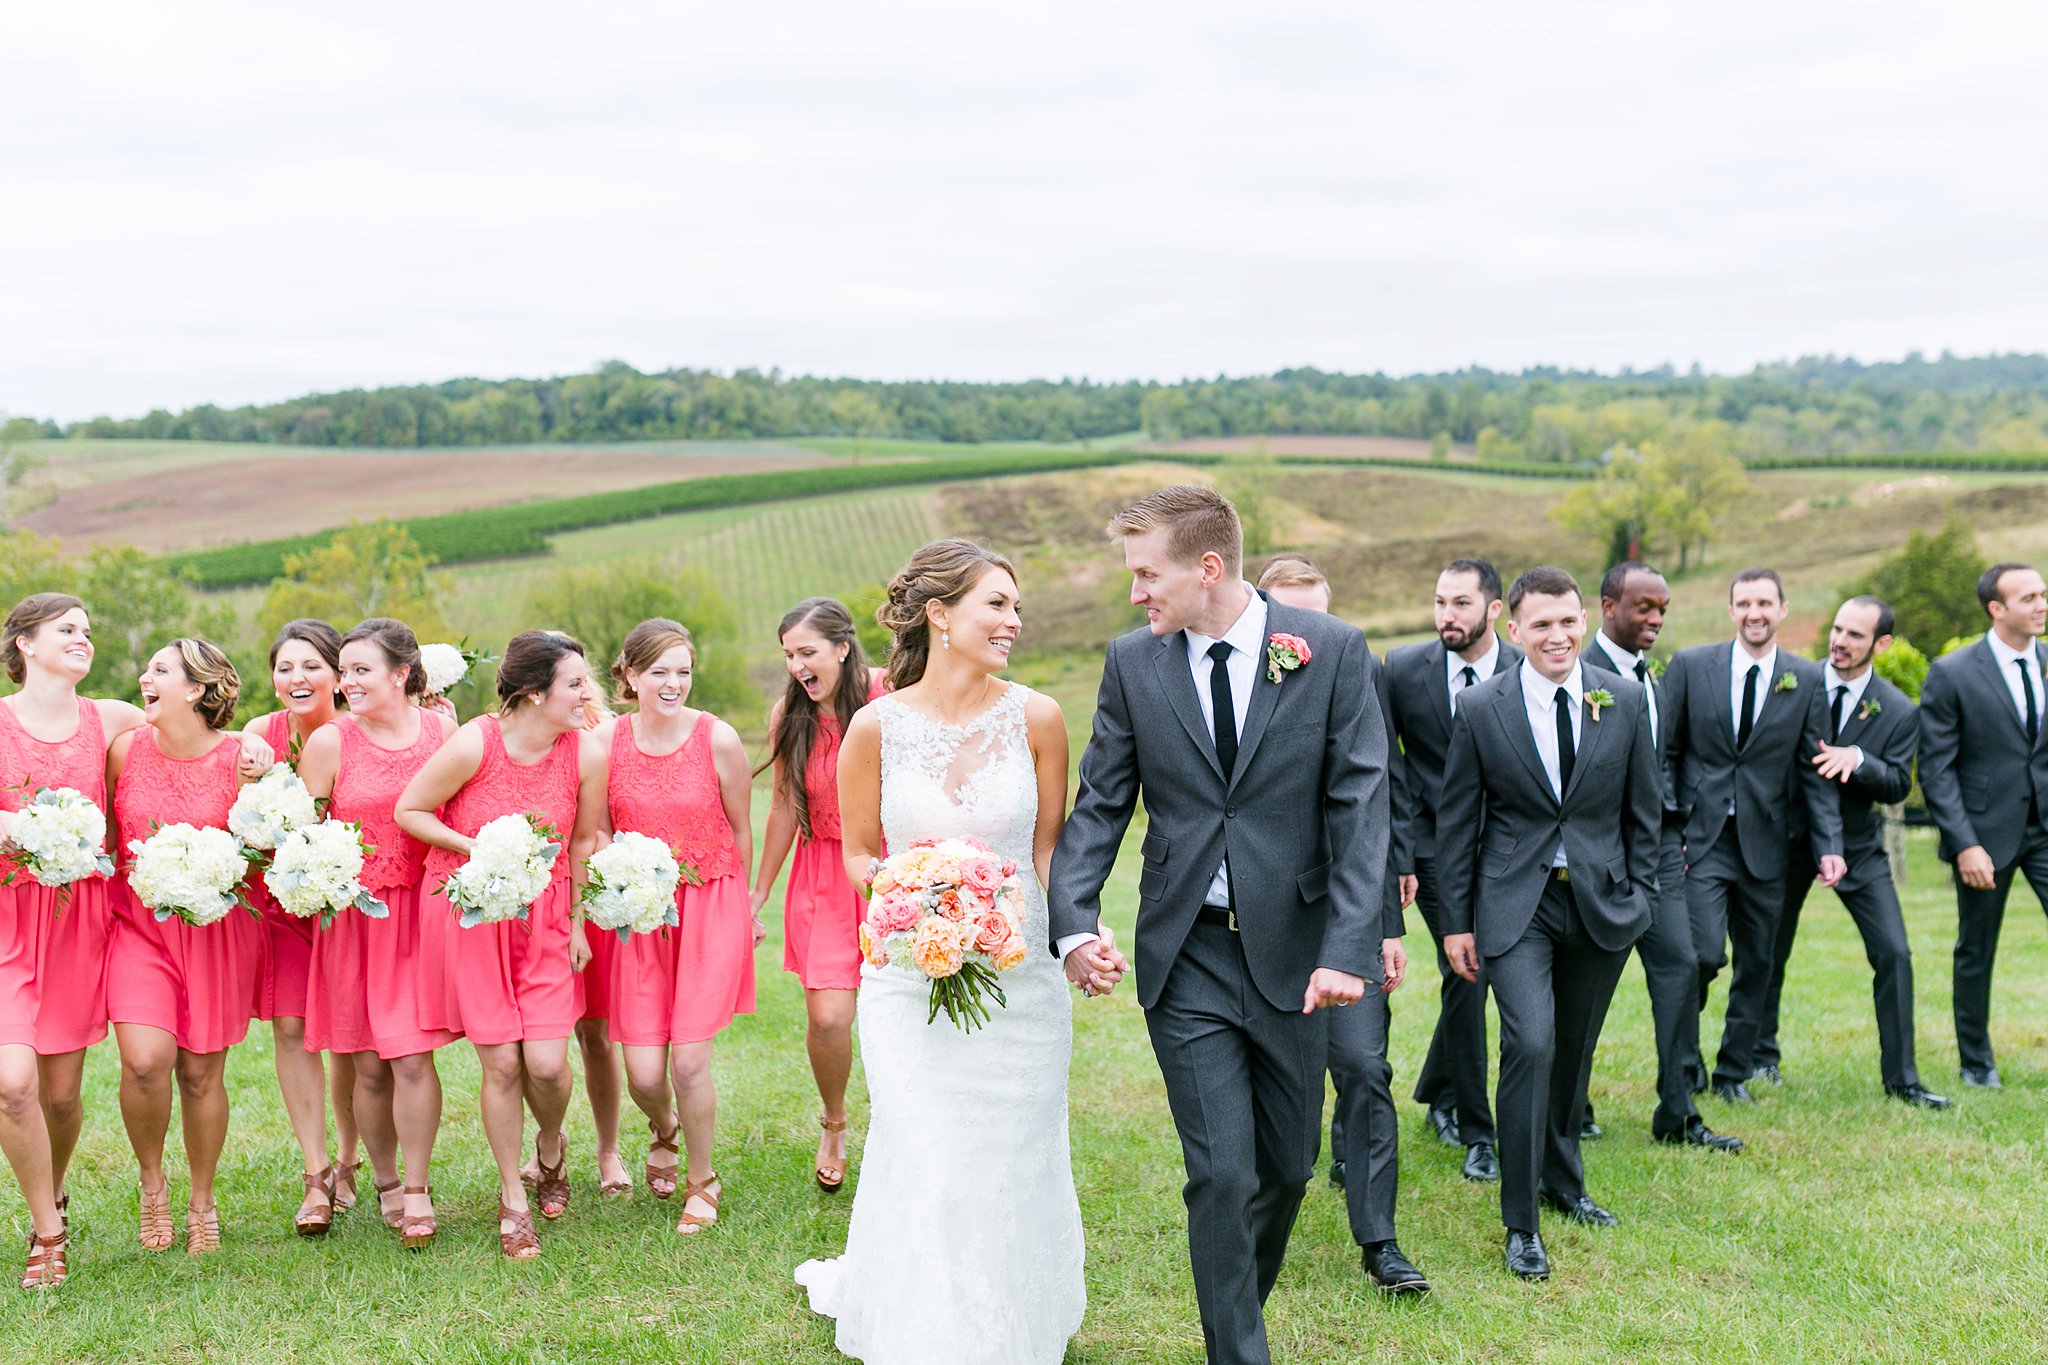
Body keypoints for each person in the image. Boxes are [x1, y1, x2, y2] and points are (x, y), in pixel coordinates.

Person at [1050, 487, 1391, 1365]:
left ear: (1208, 567)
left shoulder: (1332, 650)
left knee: (1286, 1169)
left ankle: (1237, 1303)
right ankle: (1239, 1352)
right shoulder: (1133, 663)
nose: (1136, 594)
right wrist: (1074, 921)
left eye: (1145, 573)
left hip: (1296, 952)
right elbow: (1100, 805)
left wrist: (1349, 945)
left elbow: (1361, 806)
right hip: (1188, 949)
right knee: (1223, 1172)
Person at [796, 539, 1090, 1363]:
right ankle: (928, 1329)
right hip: (904, 975)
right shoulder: (874, 726)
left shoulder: (1038, 717)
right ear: (940, 614)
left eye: (1016, 606)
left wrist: (1076, 934)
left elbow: (1048, 852)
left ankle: (1009, 1319)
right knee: (926, 1143)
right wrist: (911, 887)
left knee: (1009, 1153)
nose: (1014, 620)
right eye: (997, 603)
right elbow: (855, 851)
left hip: (1017, 973)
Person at [1437, 566, 1661, 1280]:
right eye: (1541, 624)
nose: (1558, 635)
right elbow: (1457, 822)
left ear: (1583, 622)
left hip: (1600, 902)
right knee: (1530, 1043)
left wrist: (1641, 895)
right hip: (1513, 905)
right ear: (1514, 630)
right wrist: (1455, 922)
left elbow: (1644, 810)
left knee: (1572, 1052)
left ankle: (1565, 1182)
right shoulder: (1481, 709)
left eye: (1569, 621)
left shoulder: (1622, 699)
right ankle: (1521, 1221)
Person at [395, 630, 606, 1258]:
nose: (586, 694)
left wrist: (577, 922)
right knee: (502, 1063)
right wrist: (478, 849)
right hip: (476, 917)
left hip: (546, 920)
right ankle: (513, 1198)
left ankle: (550, 1144)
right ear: (536, 692)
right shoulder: (474, 743)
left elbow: (583, 842)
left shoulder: (586, 753)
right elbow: (413, 809)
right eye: (574, 684)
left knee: (546, 1064)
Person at [1255, 554, 1422, 1294]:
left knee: (1362, 1067)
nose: (1306, 631)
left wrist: (1385, 919)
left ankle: (1380, 1241)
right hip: (1256, 919)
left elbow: (1378, 794)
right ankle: (1260, 1212)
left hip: (1344, 907)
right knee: (1281, 1085)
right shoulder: (1225, 676)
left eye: (1318, 615)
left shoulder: (1355, 667)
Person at [298, 618, 460, 1249]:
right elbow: (300, 836)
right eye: (345, 670)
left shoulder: (442, 733)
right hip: (358, 921)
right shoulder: (331, 743)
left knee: (413, 1056)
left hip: (422, 915)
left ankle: (417, 1188)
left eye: (362, 670)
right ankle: (386, 1181)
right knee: (368, 1065)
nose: (347, 681)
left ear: (402, 673)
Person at [0, 594, 146, 1288]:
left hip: (77, 925)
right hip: (5, 920)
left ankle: (51, 1190)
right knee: (11, 1081)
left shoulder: (111, 718)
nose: (83, 638)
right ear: (24, 643)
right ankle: (47, 1232)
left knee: (59, 1094)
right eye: (67, 629)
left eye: (89, 629)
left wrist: (257, 746)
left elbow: (191, 737)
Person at [1754, 597, 1947, 1108]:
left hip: (1859, 848)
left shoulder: (1900, 710)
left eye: (1855, 635)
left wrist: (1858, 759)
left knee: (1894, 952)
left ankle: (1902, 1079)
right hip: (1787, 840)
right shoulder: (1792, 683)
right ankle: (1759, 1056)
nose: (1840, 641)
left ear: (1880, 644)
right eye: (1837, 629)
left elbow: (1894, 786)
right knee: (1770, 948)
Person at [1662, 568, 1843, 1105]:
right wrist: (1673, 824)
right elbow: (1667, 753)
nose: (1754, 613)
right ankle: (1684, 1058)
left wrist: (1829, 845)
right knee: (1700, 955)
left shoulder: (1806, 678)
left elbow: (1815, 768)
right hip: (1704, 838)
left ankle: (1733, 1072)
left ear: (1783, 609)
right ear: (1731, 611)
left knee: (1759, 963)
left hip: (1771, 844)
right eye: (1744, 603)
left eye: (1765, 602)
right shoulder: (1693, 666)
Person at [104, 638, 262, 1255]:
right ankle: (151, 1182)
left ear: (196, 690)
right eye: (147, 670)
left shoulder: (241, 761)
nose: (145, 678)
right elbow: (111, 838)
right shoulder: (125, 750)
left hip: (215, 933)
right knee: (144, 1061)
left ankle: (202, 1199)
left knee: (200, 1074)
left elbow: (264, 847)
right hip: (137, 928)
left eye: (160, 671)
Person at [600, 619, 757, 1236]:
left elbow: (741, 827)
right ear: (631, 676)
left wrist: (743, 909)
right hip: (639, 917)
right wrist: (621, 870)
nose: (673, 683)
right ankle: (662, 1128)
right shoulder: (606, 742)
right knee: (643, 1074)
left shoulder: (717, 738)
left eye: (683, 671)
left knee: (688, 1064)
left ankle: (702, 1180)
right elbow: (596, 826)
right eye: (659, 671)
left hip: (708, 906)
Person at [1582, 563, 1743, 1153]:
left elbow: (1664, 757)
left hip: (1658, 860)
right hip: (1597, 863)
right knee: (1584, 991)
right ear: (1606, 606)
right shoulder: (1578, 673)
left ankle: (1677, 1112)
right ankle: (1572, 1105)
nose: (1654, 619)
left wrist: (1673, 823)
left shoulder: (1654, 678)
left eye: (1662, 610)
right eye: (1643, 607)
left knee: (1686, 965)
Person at [1383, 559, 1519, 1176]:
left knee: (1478, 974)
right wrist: (1405, 852)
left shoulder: (1525, 670)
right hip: (1437, 851)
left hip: (1512, 851)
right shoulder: (1404, 669)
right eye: (1440, 603)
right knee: (1468, 973)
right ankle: (1476, 1129)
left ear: (1494, 611)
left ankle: (1439, 1090)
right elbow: (1396, 767)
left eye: (1461, 604)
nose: (1447, 616)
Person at [752, 599, 880, 1192]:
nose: (798, 666)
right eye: (789, 656)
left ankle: (909, 1129)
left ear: (842, 648)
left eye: (807, 652)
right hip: (824, 872)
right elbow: (781, 805)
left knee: (899, 1014)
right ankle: (834, 1120)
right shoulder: (790, 714)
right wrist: (758, 894)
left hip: (891, 867)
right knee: (829, 1017)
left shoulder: (888, 693)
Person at [242, 619, 363, 1234]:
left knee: (346, 1034)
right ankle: (316, 1175)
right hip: (283, 906)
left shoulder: (360, 734)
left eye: (311, 666)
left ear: (339, 675)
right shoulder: (259, 736)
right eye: (285, 667)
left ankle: (348, 1157)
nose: (297, 678)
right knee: (292, 1026)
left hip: (348, 905)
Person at [1918, 562, 2048, 1089]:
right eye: (2030, 598)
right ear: (1997, 609)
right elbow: (1936, 769)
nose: (2042, 604)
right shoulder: (1952, 672)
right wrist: (1965, 844)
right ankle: (1977, 1064)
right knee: (1976, 950)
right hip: (1983, 835)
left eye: (2044, 594)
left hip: (2044, 827)